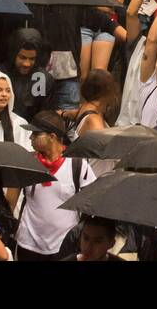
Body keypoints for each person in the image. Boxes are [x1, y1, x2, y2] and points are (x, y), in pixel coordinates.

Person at [15, 111, 96, 261]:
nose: (30, 138)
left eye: (35, 134)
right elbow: (11, 199)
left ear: (52, 137)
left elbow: (90, 204)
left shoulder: (77, 165)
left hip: (63, 247)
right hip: (28, 245)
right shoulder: (26, 162)